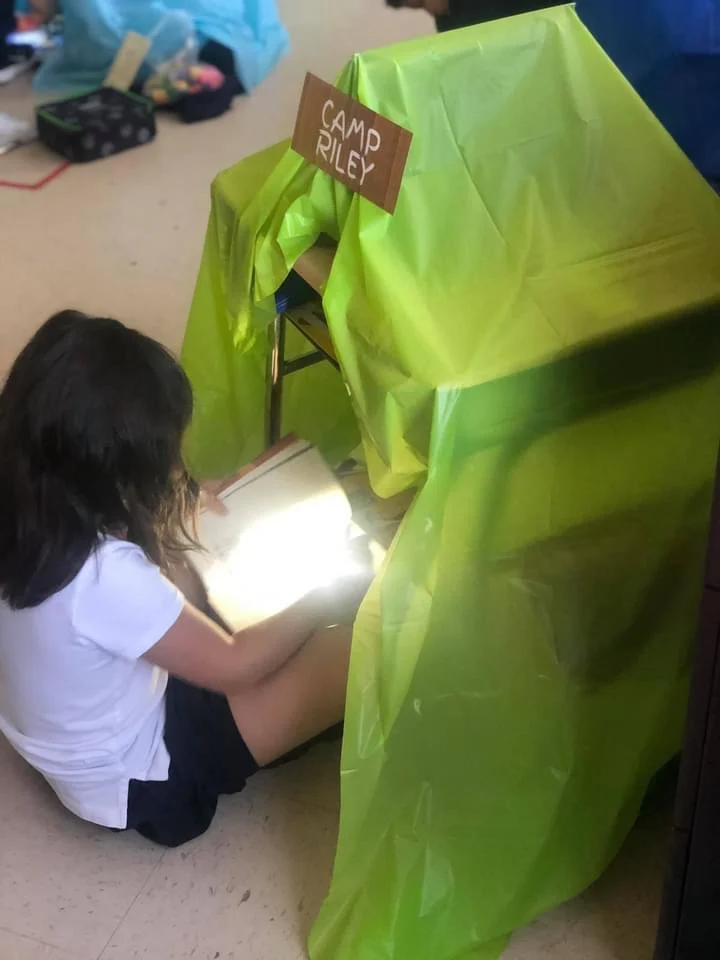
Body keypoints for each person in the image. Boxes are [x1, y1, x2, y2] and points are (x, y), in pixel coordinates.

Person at [0, 311, 362, 847]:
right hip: (146, 780)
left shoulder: (31, 501)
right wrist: (330, 587)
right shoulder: (104, 574)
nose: (178, 468)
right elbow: (239, 665)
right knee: (360, 644)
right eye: (164, 463)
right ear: (113, 477)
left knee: (208, 554)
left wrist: (178, 507)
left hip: (63, 740)